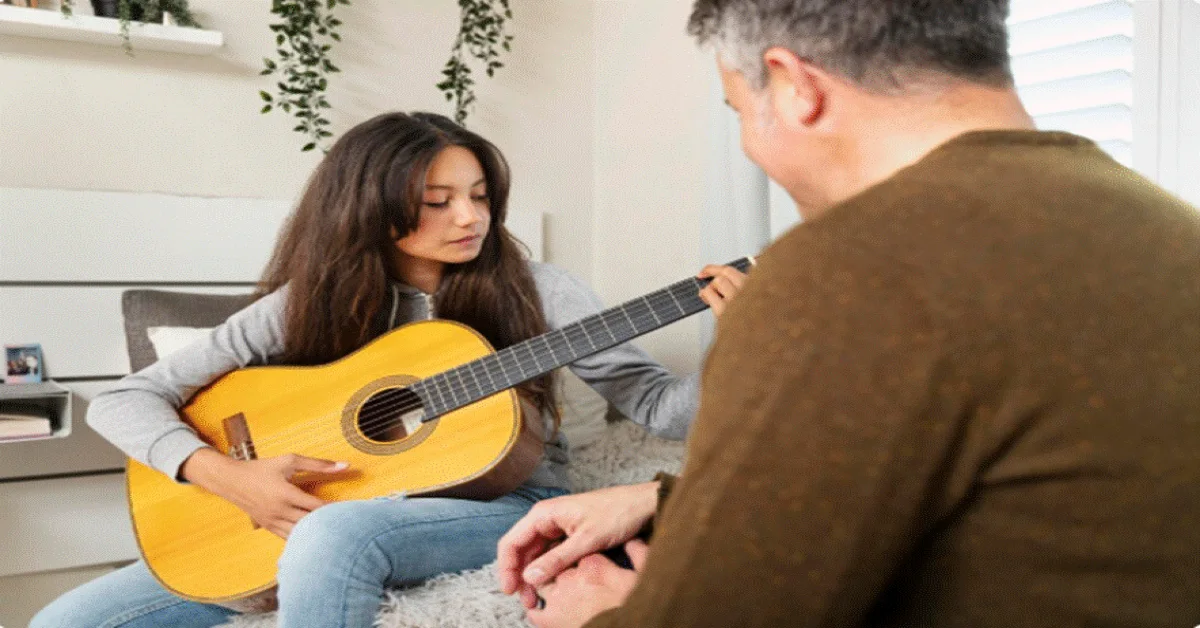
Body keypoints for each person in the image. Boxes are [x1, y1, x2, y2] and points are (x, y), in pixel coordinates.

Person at [497, 1, 1200, 627]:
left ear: (795, 84)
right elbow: (1003, 490)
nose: (749, 138)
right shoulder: (1170, 231)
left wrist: (602, 614)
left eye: (739, 110)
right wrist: (666, 499)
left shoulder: (841, 271)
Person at [31, 111, 747, 628]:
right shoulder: (309, 299)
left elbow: (660, 410)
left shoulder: (542, 289)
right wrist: (230, 478)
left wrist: (740, 340)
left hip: (498, 502)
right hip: (326, 503)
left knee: (333, 535)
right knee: (63, 621)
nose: (469, 218)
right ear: (372, 208)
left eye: (478, 195)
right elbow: (125, 399)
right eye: (438, 202)